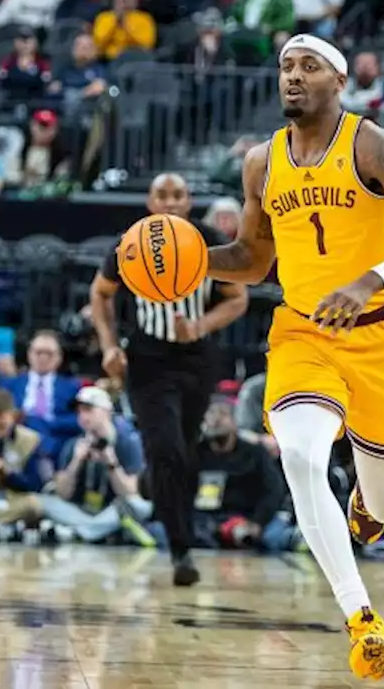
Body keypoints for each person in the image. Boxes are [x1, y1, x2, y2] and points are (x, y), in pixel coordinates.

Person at [202, 34, 384, 680]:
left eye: (309, 66)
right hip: (304, 333)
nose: (293, 76)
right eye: (286, 66)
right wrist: (186, 261)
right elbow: (255, 261)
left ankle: (366, 510)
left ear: (339, 81)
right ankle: (361, 619)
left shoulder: (371, 143)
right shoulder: (260, 162)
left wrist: (371, 279)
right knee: (303, 454)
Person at [89, 173, 248, 586]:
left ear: (188, 200)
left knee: (185, 450)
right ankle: (181, 549)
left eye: (178, 195)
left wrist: (198, 326)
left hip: (196, 357)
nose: (170, 202)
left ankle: (152, 487)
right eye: (162, 194)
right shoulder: (130, 243)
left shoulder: (211, 240)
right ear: (150, 200)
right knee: (166, 448)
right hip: (147, 358)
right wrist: (108, 345)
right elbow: (100, 292)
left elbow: (237, 300)